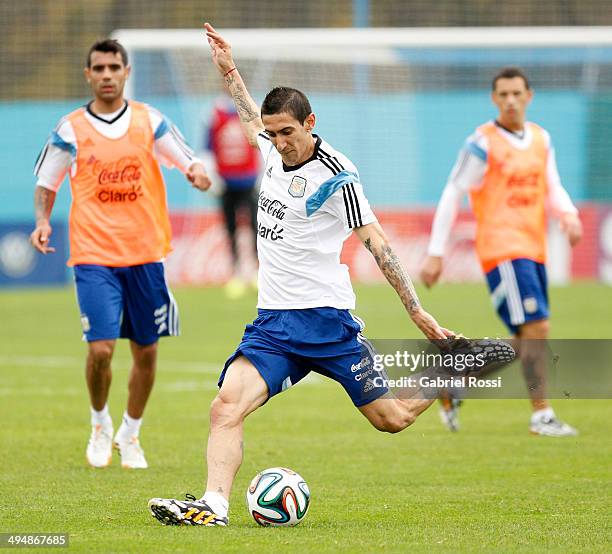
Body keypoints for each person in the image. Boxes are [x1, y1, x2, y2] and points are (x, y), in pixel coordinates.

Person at [147, 24, 512, 527]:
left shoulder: (338, 174)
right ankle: (213, 506)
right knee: (224, 407)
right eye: (271, 134)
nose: (278, 144)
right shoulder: (271, 148)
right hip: (274, 327)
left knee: (392, 420)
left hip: (327, 324)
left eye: (287, 133)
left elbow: (377, 242)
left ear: (310, 122)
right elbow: (248, 110)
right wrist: (227, 66)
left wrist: (416, 310)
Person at [30, 39, 211, 469]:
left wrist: (198, 172)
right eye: (99, 68)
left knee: (146, 352)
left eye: (115, 66)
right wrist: (41, 221)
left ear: (126, 72)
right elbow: (47, 181)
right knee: (101, 351)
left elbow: (186, 159)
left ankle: (131, 434)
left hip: (146, 254)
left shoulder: (150, 121)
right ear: (88, 74)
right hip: (93, 255)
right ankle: (99, 423)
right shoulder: (71, 128)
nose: (107, 74)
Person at [420, 67, 583, 437]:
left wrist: (569, 214)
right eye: (503, 94)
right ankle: (542, 416)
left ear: (529, 96)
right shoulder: (483, 142)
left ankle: (457, 375)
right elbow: (452, 190)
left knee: (531, 336)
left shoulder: (541, 138)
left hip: (534, 247)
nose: (510, 100)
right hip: (503, 249)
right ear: (494, 99)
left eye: (516, 93)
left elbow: (552, 184)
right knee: (537, 327)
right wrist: (435, 251)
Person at [206, 92, 260, 298]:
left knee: (256, 227)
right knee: (231, 228)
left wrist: (261, 176)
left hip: (248, 180)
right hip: (226, 181)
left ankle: (256, 272)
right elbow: (209, 146)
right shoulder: (215, 113)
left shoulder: (249, 110)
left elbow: (260, 143)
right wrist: (212, 175)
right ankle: (236, 273)